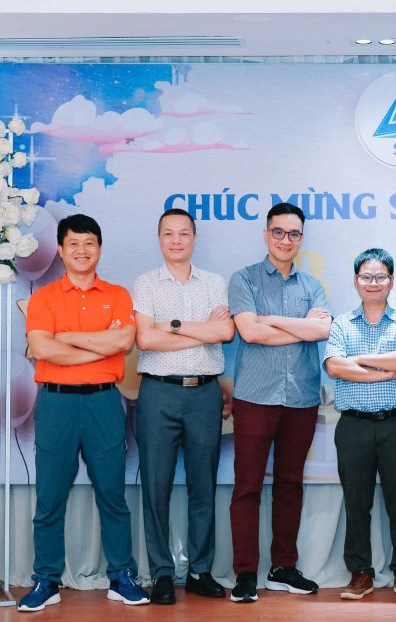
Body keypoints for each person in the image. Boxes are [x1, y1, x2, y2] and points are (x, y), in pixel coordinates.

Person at [18, 214, 149, 612]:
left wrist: (68, 339)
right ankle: (46, 579)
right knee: (50, 497)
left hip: (104, 403)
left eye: (89, 242)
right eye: (73, 243)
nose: (81, 250)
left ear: (99, 249)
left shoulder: (119, 295)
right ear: (60, 250)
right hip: (56, 404)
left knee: (112, 494)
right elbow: (43, 349)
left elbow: (124, 342)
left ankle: (121, 576)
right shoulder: (44, 298)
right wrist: (99, 347)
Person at [227, 202, 330, 603]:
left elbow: (321, 330)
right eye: (279, 232)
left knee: (290, 484)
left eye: (294, 233)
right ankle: (245, 572)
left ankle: (283, 567)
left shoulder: (312, 286)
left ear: (301, 238)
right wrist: (299, 327)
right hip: (255, 396)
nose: (286, 240)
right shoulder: (244, 278)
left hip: (301, 397)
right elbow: (250, 333)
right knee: (247, 486)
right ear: (266, 234)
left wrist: (271, 320)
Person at [132, 208, 235, 604]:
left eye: (183, 233)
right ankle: (161, 572)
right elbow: (145, 340)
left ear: (194, 237)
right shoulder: (146, 283)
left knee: (202, 485)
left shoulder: (214, 283)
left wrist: (171, 326)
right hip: (158, 393)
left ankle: (199, 571)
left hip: (204, 394)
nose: (176, 240)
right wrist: (201, 331)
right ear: (159, 238)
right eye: (168, 234)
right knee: (155, 487)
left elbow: (224, 332)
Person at [324, 248, 396, 601]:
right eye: (366, 276)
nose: (373, 282)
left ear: (391, 281)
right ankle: (360, 572)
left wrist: (360, 361)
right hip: (354, 426)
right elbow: (334, 366)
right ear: (356, 281)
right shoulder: (341, 323)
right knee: (357, 502)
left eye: (380, 276)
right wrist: (383, 369)